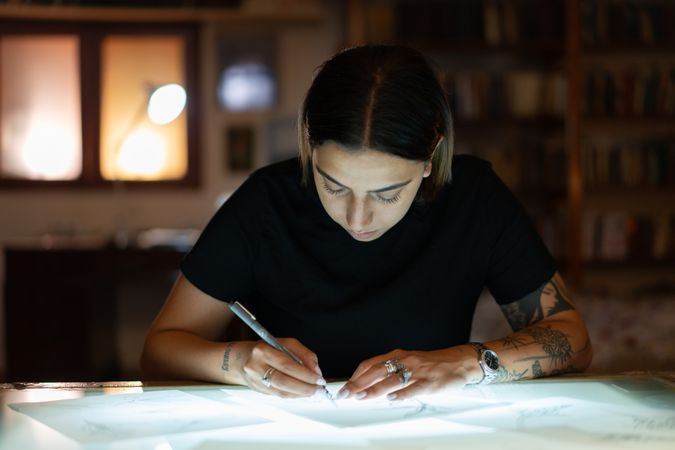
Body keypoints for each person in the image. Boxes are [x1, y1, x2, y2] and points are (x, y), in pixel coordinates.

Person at [141, 44, 592, 401]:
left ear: (431, 158)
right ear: (310, 149)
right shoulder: (265, 203)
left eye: (387, 194)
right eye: (333, 185)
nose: (357, 219)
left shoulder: (475, 197)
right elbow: (159, 351)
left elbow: (573, 339)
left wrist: (470, 361)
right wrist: (238, 362)